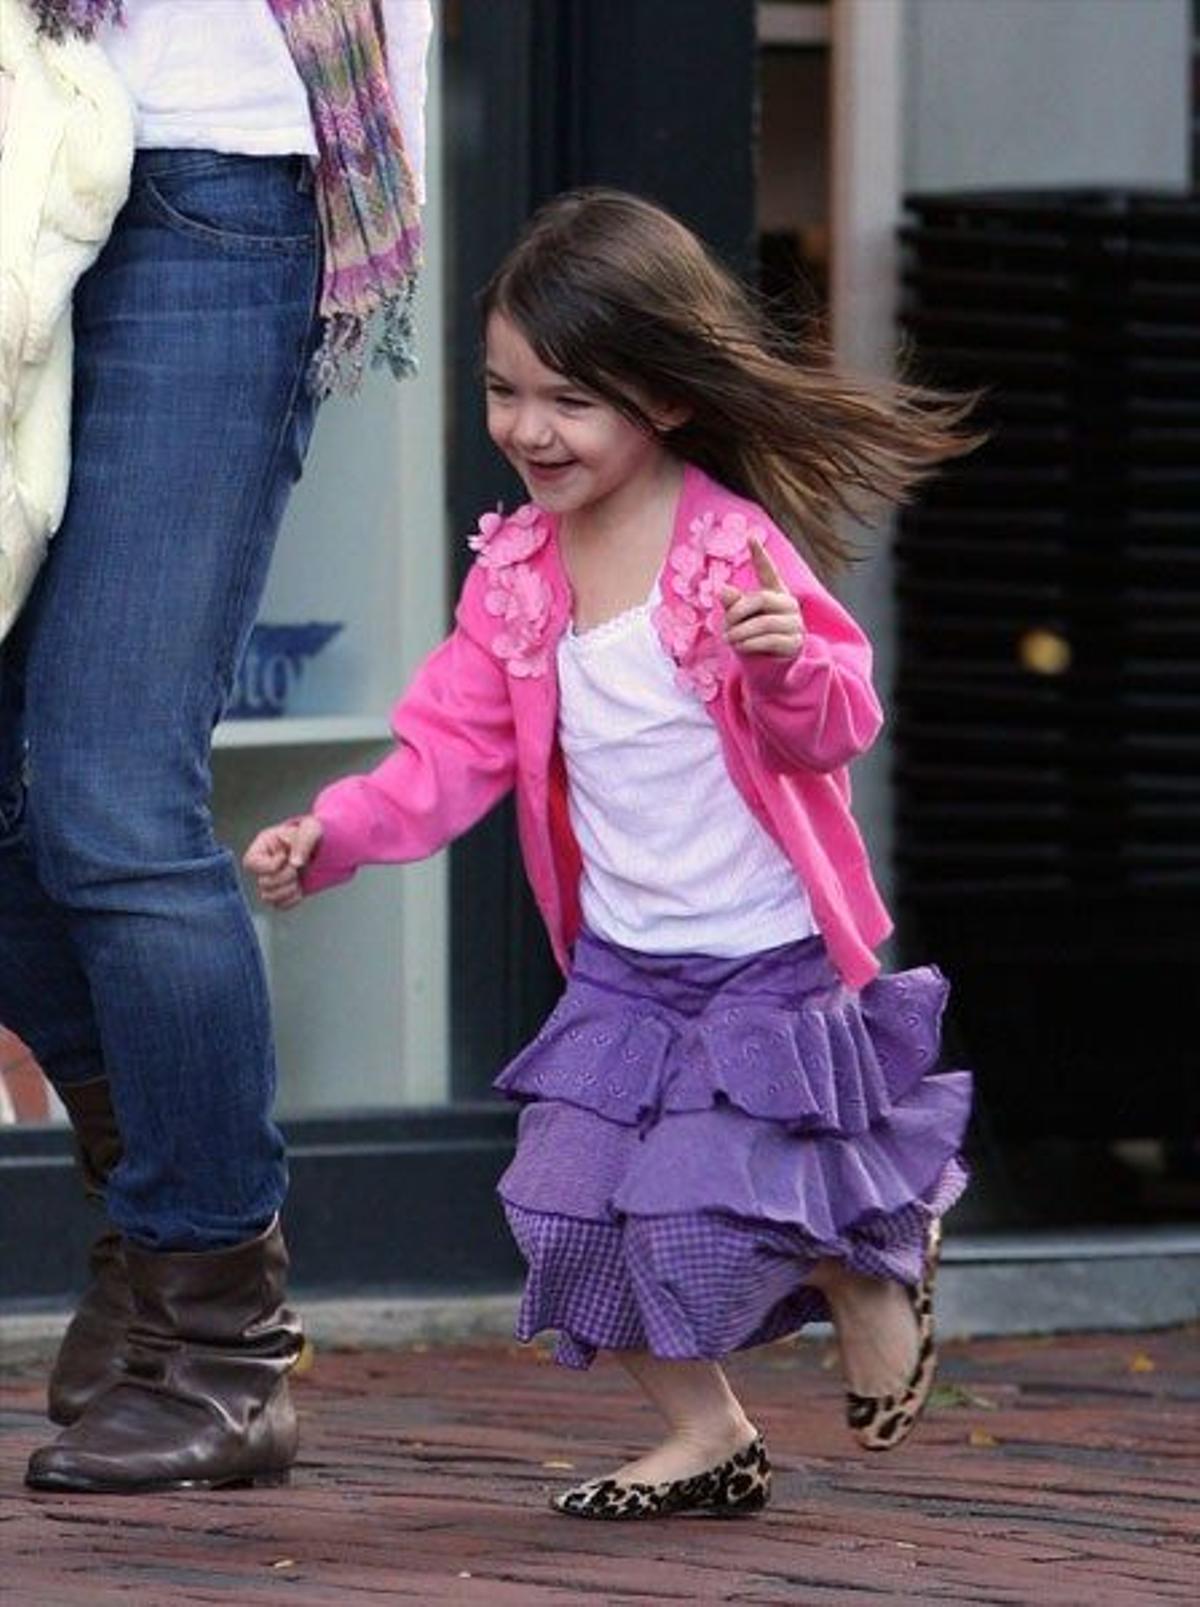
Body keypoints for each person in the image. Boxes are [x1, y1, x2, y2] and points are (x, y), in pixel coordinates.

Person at [245, 188, 977, 1520]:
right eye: (504, 390)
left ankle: (870, 1265)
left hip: (763, 961)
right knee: (568, 1212)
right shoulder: (516, 573)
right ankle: (710, 1435)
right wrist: (334, 830)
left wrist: (786, 663)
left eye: (571, 400)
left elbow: (836, 724)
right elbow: (443, 753)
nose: (529, 428)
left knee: (699, 1213)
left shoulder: (729, 549)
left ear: (669, 398)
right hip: (627, 975)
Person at [5, 0, 432, 1494]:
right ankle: (149, 1220)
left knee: (114, 795)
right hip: (31, 139)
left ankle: (220, 1344)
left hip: (217, 179)